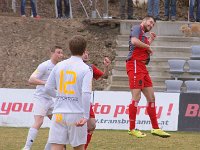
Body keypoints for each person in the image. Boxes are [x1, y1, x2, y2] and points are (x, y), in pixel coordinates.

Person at [45, 35, 93, 150]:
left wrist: (61, 96)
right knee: (78, 147)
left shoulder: (59, 65)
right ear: (84, 49)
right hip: (76, 114)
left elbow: (47, 88)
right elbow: (86, 94)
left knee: (56, 147)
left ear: (70, 48)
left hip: (59, 113)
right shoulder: (86, 69)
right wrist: (86, 116)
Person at [126, 16, 170, 138]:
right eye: (150, 22)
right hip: (134, 64)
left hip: (142, 67)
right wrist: (148, 47)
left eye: (152, 25)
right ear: (144, 21)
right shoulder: (136, 28)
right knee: (136, 96)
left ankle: (155, 128)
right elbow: (134, 41)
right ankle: (132, 129)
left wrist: (150, 40)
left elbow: (142, 46)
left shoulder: (143, 36)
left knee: (151, 98)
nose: (151, 25)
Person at [21, 46, 64, 150]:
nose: (61, 55)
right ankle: (27, 147)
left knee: (59, 123)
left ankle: (48, 147)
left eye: (62, 53)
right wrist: (46, 83)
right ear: (52, 53)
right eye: (58, 52)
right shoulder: (44, 65)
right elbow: (31, 79)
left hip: (51, 99)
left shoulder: (60, 67)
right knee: (39, 121)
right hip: (41, 98)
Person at [82, 51, 111, 150]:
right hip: (73, 100)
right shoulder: (72, 66)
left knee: (91, 125)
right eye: (83, 53)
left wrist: (106, 66)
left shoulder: (91, 67)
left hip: (85, 101)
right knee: (68, 129)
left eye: (87, 53)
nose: (86, 55)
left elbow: (105, 76)